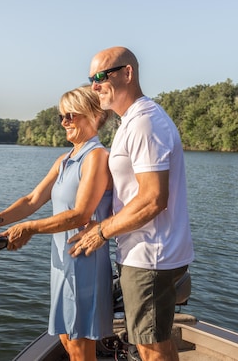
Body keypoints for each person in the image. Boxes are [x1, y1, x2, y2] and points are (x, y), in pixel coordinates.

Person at [69, 47, 195, 361]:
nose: (94, 85)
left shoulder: (145, 124)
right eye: (90, 79)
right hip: (145, 251)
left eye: (101, 76)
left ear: (128, 73)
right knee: (154, 342)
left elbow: (153, 198)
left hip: (150, 255)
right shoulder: (131, 122)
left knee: (151, 348)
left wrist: (102, 231)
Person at [0, 86, 114, 361]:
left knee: (80, 347)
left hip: (84, 261)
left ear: (94, 115)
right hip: (61, 262)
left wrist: (28, 228)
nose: (64, 122)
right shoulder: (64, 160)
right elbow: (33, 199)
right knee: (66, 340)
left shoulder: (96, 156)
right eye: (61, 116)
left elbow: (80, 214)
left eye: (70, 115)